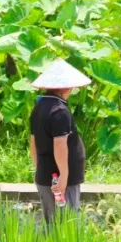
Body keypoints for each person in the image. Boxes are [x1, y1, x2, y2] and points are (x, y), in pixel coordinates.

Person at [29, 58, 90, 226]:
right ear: (65, 88)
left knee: (51, 224)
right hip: (60, 181)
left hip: (45, 175)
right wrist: (63, 177)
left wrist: (39, 168)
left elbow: (32, 143)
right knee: (67, 227)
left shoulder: (38, 107)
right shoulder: (59, 111)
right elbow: (60, 145)